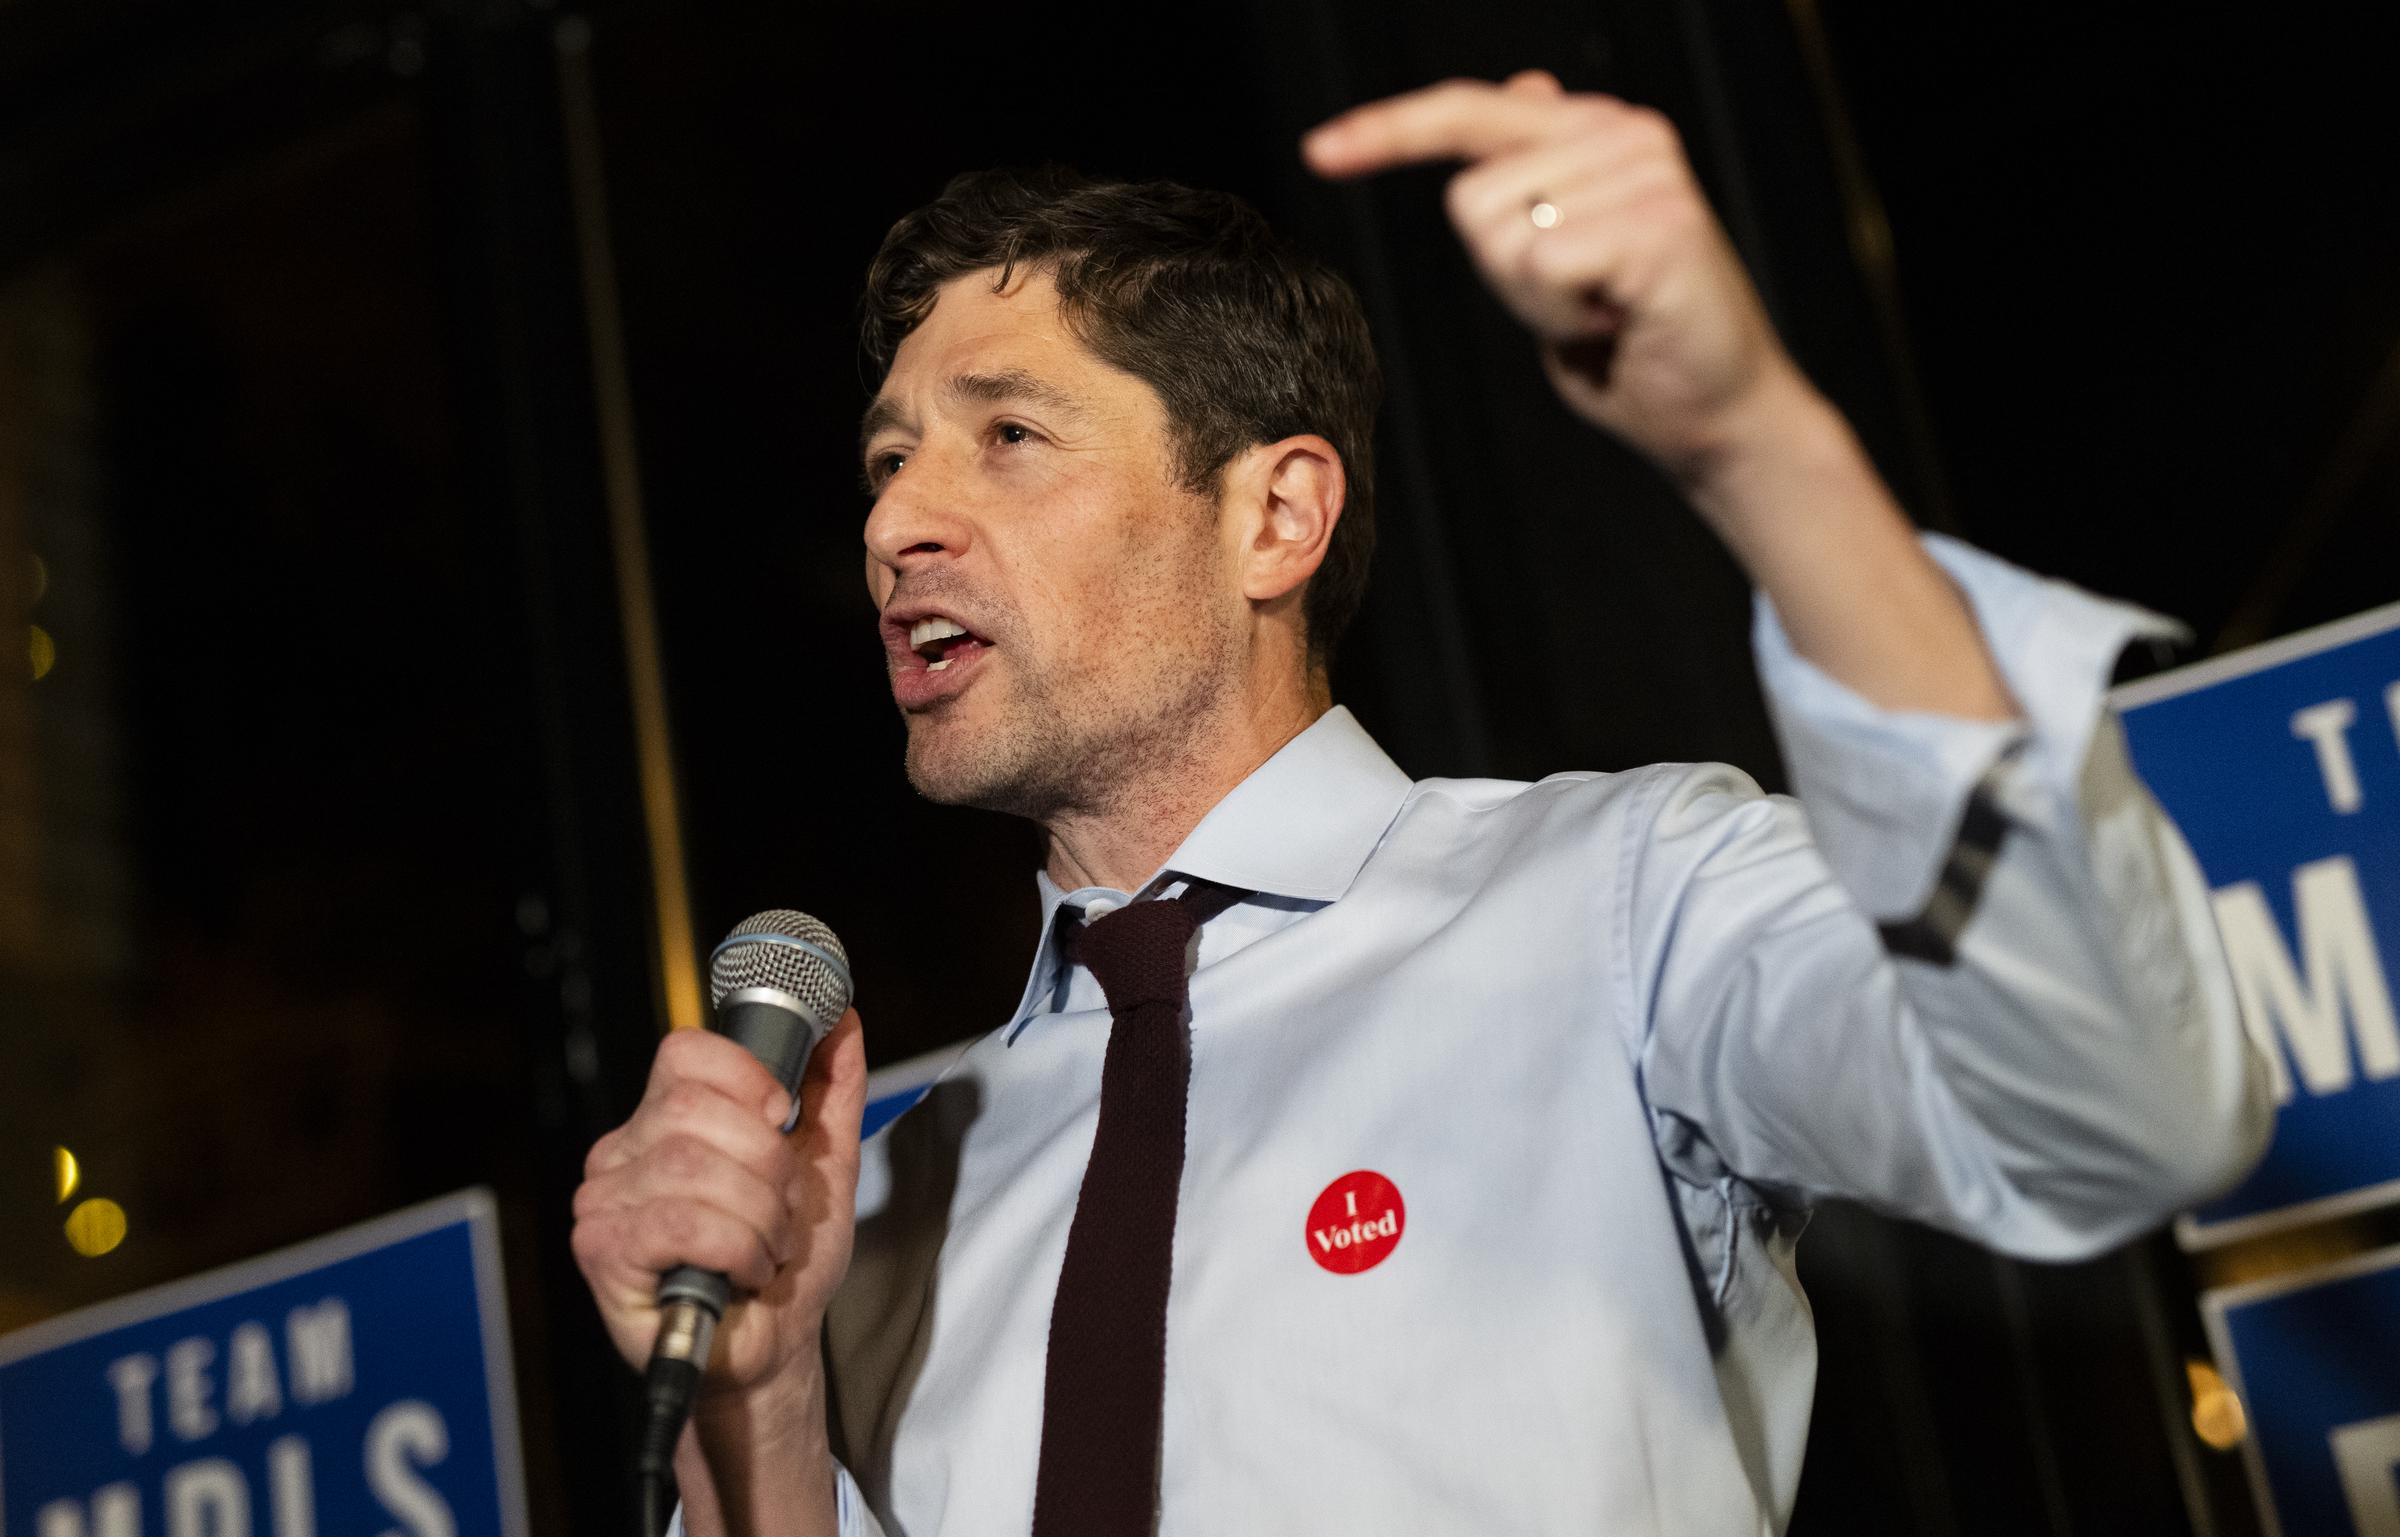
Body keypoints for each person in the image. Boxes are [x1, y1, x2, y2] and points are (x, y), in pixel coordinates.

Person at [570, 71, 2272, 1535]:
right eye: (884, 460)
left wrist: (1755, 439)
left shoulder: (1617, 899)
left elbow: (2117, 1107)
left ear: (1275, 517)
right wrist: (762, 1404)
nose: (895, 524)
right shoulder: (883, 1195)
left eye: (1006, 435)